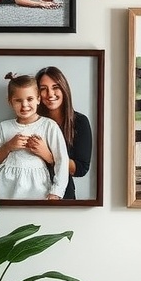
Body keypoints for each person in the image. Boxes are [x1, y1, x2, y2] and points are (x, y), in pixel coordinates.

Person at [0, 73, 69, 200]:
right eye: (18, 100)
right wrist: (8, 146)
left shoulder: (49, 126)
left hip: (39, 190)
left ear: (38, 99)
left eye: (29, 99)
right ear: (10, 102)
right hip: (5, 190)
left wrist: (56, 192)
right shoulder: (4, 127)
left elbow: (62, 161)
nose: (24, 105)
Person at [35, 66, 93, 200]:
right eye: (43, 89)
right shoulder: (32, 122)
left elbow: (80, 169)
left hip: (63, 196)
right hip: (30, 193)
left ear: (64, 89)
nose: (50, 94)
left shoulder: (80, 122)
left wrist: (49, 156)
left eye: (55, 87)